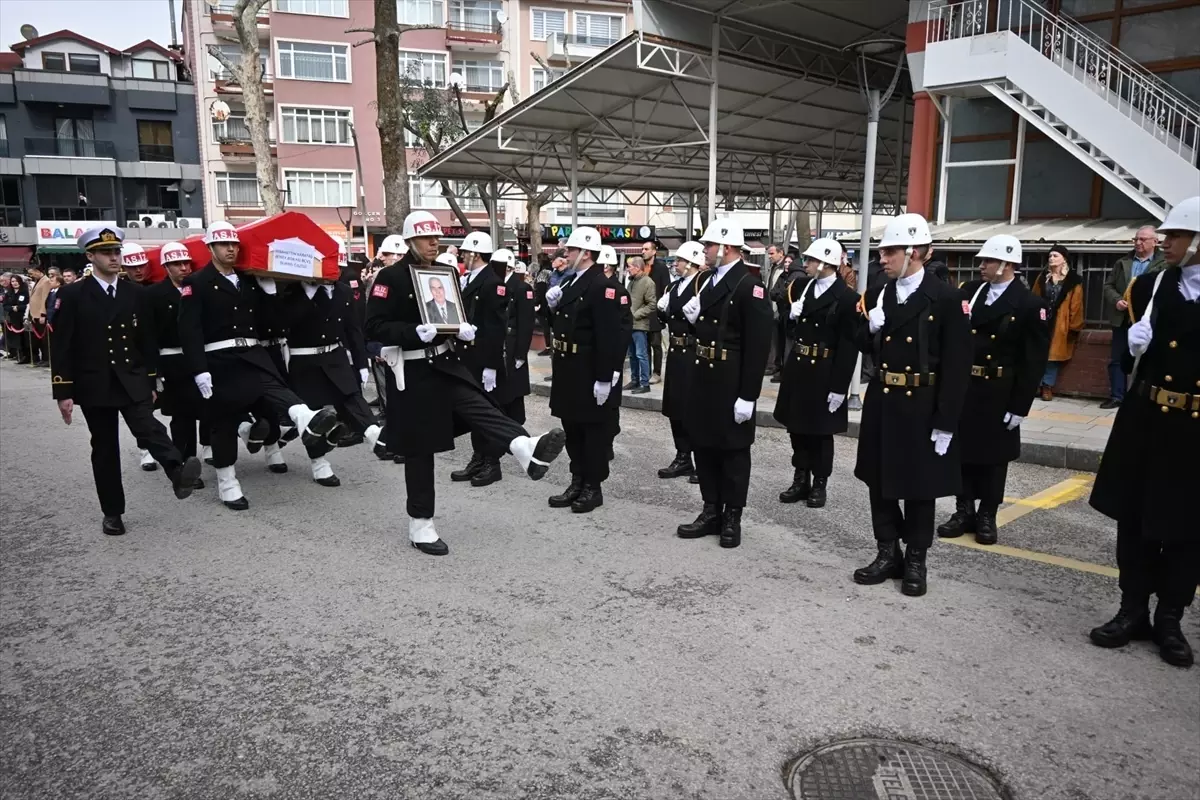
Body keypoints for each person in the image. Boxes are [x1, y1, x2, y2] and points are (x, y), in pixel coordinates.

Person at [365, 211, 567, 555]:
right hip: (412, 372)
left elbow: (452, 312)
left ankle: (524, 447)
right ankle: (421, 524)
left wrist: (462, 329)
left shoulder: (444, 272)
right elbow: (374, 327)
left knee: (481, 405)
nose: (435, 243)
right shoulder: (391, 276)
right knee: (419, 450)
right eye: (427, 238)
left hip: (445, 361)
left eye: (436, 238)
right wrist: (412, 333)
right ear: (411, 239)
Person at [1088, 195, 1200, 669]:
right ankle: (1131, 608)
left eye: (1176, 235)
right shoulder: (1151, 284)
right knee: (1134, 518)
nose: (1167, 242)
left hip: (1194, 428)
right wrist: (1138, 349)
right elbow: (1138, 342)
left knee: (1187, 527)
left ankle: (1170, 617)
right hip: (1148, 416)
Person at [178, 221, 343, 511]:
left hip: (253, 352)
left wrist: (269, 294)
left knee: (276, 389)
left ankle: (305, 418)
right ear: (210, 248)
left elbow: (273, 324)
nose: (230, 249)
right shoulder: (197, 283)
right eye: (223, 244)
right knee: (223, 421)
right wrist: (198, 369)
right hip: (219, 358)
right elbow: (188, 329)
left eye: (234, 244)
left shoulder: (249, 280)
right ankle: (228, 482)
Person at [49, 226, 202, 535]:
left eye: (116, 251)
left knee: (149, 427)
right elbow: (61, 344)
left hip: (132, 375)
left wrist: (151, 378)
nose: (114, 257)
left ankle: (176, 470)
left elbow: (147, 339)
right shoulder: (73, 293)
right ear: (90, 256)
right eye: (107, 253)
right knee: (104, 448)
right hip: (95, 382)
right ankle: (112, 512)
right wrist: (63, 390)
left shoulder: (136, 293)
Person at [851, 213, 971, 597]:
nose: (882, 259)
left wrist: (946, 421)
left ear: (914, 252)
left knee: (919, 487)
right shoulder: (878, 294)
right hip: (884, 399)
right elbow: (856, 338)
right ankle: (888, 551)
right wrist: (869, 327)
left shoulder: (946, 297)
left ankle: (916, 558)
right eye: (882, 252)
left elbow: (957, 364)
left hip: (922, 403)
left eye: (889, 252)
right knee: (880, 480)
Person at [937, 235, 1049, 545]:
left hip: (999, 389)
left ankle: (987, 514)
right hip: (967, 386)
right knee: (963, 452)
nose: (981, 265)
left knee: (993, 458)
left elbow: (1034, 360)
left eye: (987, 260)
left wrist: (1020, 404)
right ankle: (964, 509)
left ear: (1006, 264)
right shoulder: (971, 293)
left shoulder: (1029, 304)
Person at [675, 219, 773, 548]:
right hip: (703, 373)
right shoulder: (707, 281)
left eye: (710, 246)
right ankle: (711, 508)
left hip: (731, 378)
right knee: (704, 445)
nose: (705, 251)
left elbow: (758, 347)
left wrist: (748, 395)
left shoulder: (749, 285)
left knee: (732, 451)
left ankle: (732, 516)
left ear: (727, 248)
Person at [545, 227, 627, 514]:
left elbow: (609, 335)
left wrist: (606, 377)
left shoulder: (600, 286)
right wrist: (550, 307)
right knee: (573, 428)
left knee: (592, 431)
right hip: (569, 368)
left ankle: (593, 485)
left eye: (571, 249)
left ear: (586, 253)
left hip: (588, 369)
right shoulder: (571, 283)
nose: (566, 253)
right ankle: (577, 479)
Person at [772, 238, 859, 509]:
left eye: (810, 260)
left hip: (825, 370)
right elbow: (788, 328)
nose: (805, 264)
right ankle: (801, 478)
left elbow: (849, 346)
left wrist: (839, 387)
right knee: (796, 427)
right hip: (799, 366)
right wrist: (791, 314)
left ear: (824, 263)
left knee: (821, 433)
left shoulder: (847, 298)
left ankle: (819, 482)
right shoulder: (800, 287)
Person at [277, 270, 382, 487]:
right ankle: (318, 462)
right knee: (315, 416)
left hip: (335, 356)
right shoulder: (291, 290)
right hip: (305, 360)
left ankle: (376, 436)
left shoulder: (343, 290)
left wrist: (362, 363)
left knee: (352, 399)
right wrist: (307, 294)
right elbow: (284, 324)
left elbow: (353, 328)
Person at [448, 231, 509, 488]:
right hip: (469, 354)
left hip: (483, 357)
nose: (462, 256)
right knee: (474, 412)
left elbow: (496, 327)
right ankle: (479, 456)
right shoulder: (470, 279)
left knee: (487, 411)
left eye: (465, 252)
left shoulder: (492, 282)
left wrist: (491, 365)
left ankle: (491, 462)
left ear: (474, 253)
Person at [146, 242, 208, 487]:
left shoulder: (198, 287)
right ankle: (186, 464)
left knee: (209, 409)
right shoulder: (153, 295)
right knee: (183, 418)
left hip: (202, 357)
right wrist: (155, 371)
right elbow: (149, 336)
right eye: (176, 264)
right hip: (172, 360)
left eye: (186, 263)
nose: (183, 268)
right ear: (166, 267)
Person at [654, 240, 705, 481]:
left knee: (692, 408)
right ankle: (683, 455)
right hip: (675, 351)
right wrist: (661, 310)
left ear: (692, 263)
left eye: (681, 261)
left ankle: (699, 458)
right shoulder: (675, 287)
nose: (676, 264)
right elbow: (666, 318)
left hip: (692, 352)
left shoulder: (701, 284)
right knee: (675, 406)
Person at [1101, 226, 1165, 409]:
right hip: (1122, 318)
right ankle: (1117, 396)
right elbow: (1108, 286)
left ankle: (1142, 396)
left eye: (1143, 239)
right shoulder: (1123, 262)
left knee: (1148, 358)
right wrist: (1117, 300)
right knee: (1117, 359)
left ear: (1155, 242)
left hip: (1147, 319)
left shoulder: (1164, 264)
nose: (1138, 243)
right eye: (1136, 239)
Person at [367, 235, 410, 460]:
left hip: (406, 348)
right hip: (386, 347)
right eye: (388, 255)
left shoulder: (407, 277)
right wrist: (376, 348)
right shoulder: (381, 277)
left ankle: (397, 442)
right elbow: (374, 318)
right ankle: (392, 442)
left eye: (397, 255)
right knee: (390, 399)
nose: (390, 259)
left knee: (403, 400)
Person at [121, 242, 163, 472]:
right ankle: (146, 449)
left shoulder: (156, 287)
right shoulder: (122, 291)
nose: (138, 271)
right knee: (142, 407)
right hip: (135, 355)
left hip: (160, 349)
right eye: (132, 267)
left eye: (141, 266)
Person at [1031, 245, 1084, 401]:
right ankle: (1036, 384)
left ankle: (1047, 386)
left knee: (1053, 357)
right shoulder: (1042, 278)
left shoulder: (1073, 280)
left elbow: (1076, 305)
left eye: (1055, 256)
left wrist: (1074, 327)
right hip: (1042, 320)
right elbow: (1034, 298)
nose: (1051, 258)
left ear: (1064, 259)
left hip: (1060, 321)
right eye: (1050, 256)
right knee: (1038, 352)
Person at [492, 250, 535, 425]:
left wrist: (520, 354)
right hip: (498, 345)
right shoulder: (495, 285)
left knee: (513, 391)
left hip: (512, 345)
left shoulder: (521, 288)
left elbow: (526, 323)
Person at [623, 256, 656, 395]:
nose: (628, 269)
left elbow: (652, 304)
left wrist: (635, 315)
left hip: (640, 325)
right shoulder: (632, 282)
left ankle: (644, 383)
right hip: (630, 324)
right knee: (632, 355)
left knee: (641, 354)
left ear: (637, 267)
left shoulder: (648, 282)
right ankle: (635, 380)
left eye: (629, 266)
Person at [640, 240, 669, 383]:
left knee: (656, 344)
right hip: (641, 312)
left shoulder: (661, 268)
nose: (643, 251)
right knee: (644, 346)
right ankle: (645, 373)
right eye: (642, 249)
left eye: (646, 249)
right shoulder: (641, 266)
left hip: (655, 311)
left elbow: (666, 289)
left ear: (653, 251)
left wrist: (661, 308)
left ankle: (657, 372)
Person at [26, 264, 51, 367]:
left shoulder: (45, 281)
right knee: (37, 339)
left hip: (40, 314)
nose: (31, 276)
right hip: (33, 314)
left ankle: (47, 358)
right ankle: (41, 358)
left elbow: (44, 298)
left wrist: (43, 314)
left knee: (44, 339)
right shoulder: (37, 282)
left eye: (32, 273)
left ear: (37, 271)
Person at [3, 274, 30, 364]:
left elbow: (28, 304)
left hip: (23, 317)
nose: (14, 283)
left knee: (25, 337)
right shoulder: (9, 293)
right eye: (13, 281)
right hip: (13, 318)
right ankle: (18, 354)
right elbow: (5, 305)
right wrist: (12, 308)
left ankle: (27, 355)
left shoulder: (25, 292)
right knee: (15, 338)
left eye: (16, 281)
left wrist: (18, 308)